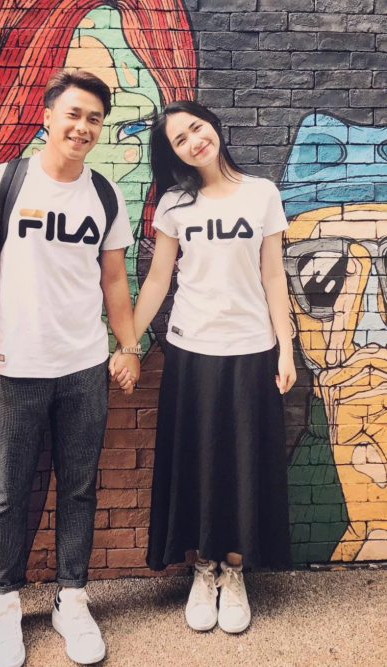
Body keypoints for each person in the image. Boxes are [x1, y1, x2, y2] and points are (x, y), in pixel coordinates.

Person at [0, 69, 140, 667]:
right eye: (74, 114)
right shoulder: (4, 182)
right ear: (48, 116)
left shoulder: (105, 195)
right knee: (8, 492)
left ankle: (71, 596)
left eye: (94, 119)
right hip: (16, 366)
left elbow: (114, 280)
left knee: (80, 487)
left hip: (84, 366)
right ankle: (5, 604)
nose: (83, 127)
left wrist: (129, 345)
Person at [112, 100, 295, 635]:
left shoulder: (261, 193)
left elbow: (274, 277)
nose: (194, 141)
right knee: (195, 460)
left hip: (251, 349)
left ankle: (233, 571)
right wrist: (128, 343)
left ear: (212, 126)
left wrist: (286, 349)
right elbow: (158, 279)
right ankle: (203, 569)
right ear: (174, 154)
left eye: (196, 128)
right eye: (180, 140)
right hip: (190, 350)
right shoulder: (174, 203)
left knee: (242, 462)